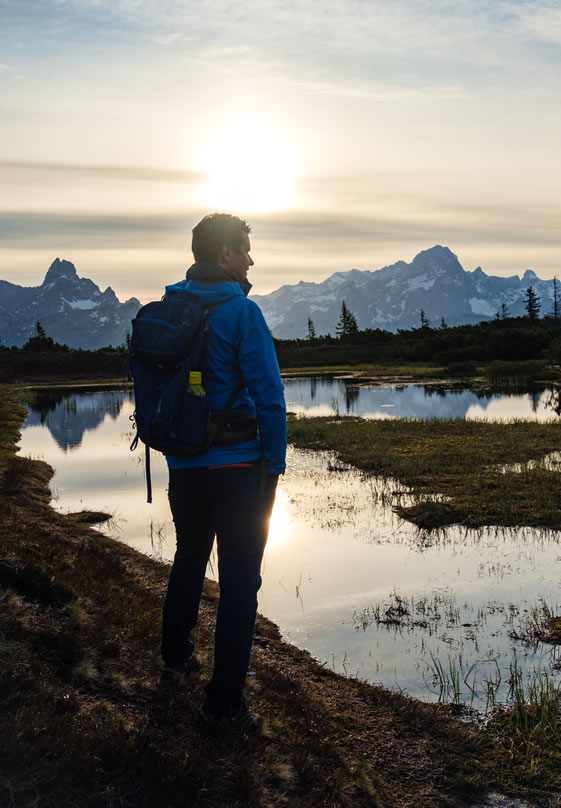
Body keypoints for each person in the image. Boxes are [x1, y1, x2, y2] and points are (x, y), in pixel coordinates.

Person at [160, 213, 287, 731]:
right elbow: (269, 395)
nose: (251, 259)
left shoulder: (170, 307)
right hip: (239, 468)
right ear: (225, 255)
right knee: (239, 584)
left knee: (189, 556)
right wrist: (274, 464)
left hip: (183, 466)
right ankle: (224, 704)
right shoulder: (242, 312)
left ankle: (175, 655)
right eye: (245, 250)